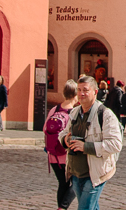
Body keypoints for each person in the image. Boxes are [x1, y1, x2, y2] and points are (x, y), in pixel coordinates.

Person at [59, 76, 123, 210]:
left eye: (85, 90)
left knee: (85, 208)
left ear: (95, 91)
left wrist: (85, 147)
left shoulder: (105, 114)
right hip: (76, 173)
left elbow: (115, 144)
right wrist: (65, 140)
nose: (81, 93)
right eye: (79, 90)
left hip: (95, 174)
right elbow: (63, 133)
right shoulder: (75, 112)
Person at [44, 79, 79, 210]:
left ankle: (61, 207)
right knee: (76, 182)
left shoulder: (54, 109)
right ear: (75, 95)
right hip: (68, 155)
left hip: (53, 155)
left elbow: (45, 129)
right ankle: (62, 207)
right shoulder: (74, 113)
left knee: (62, 183)